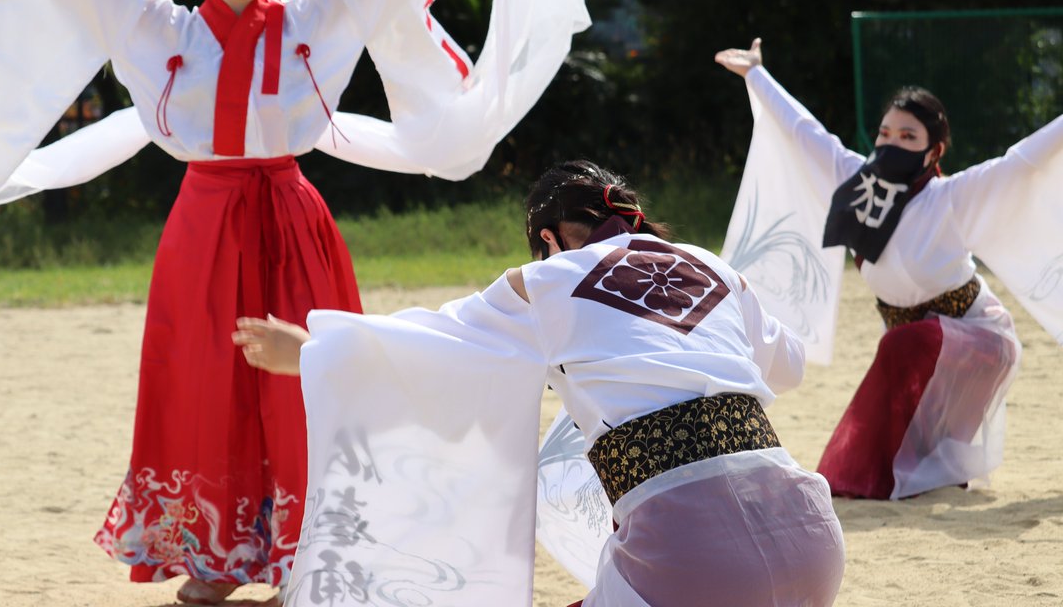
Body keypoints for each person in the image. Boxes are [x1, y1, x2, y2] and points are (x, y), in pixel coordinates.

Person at [0, 0, 521, 607]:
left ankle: (308, 555)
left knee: (308, 379)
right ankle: (216, 556)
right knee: (202, 381)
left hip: (292, 218)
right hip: (204, 223)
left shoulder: (314, 15)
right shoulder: (161, 29)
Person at [234, 161, 846, 607]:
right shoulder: (709, 264)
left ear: (549, 240)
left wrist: (313, 350)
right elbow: (785, 367)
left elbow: (433, 345)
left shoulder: (548, 281)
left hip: (689, 558)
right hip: (813, 540)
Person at [715, 38, 1063, 500]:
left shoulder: (953, 197)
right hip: (911, 342)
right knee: (905, 360)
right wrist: (757, 74)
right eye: (884, 134)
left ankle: (861, 477)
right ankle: (910, 476)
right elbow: (803, 132)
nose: (891, 143)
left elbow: (1022, 162)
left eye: (908, 137)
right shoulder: (853, 182)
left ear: (933, 152)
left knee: (905, 347)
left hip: (978, 337)